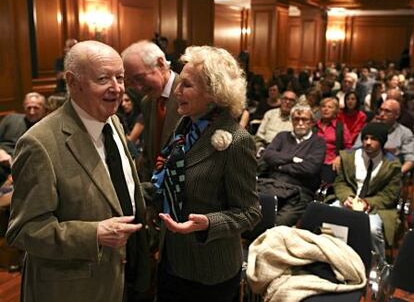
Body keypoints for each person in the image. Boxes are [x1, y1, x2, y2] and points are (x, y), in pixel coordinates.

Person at [6, 41, 150, 302]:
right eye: (103, 79)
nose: (116, 89)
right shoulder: (39, 144)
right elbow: (24, 230)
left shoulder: (113, 122)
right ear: (72, 82)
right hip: (76, 289)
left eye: (120, 77)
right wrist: (93, 234)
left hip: (124, 276)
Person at [151, 46, 262, 302]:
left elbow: (250, 212)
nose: (177, 92)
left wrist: (209, 223)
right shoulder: (184, 125)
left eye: (186, 86)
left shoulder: (237, 141)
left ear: (213, 93)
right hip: (172, 260)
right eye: (179, 83)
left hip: (209, 271)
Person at [331, 122, 401, 262]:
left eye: (373, 139)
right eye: (365, 138)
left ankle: (378, 265)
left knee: (372, 229)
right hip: (349, 200)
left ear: (381, 142)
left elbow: (390, 195)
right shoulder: (349, 158)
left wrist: (367, 203)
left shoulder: (392, 165)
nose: (368, 142)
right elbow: (340, 183)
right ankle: (334, 258)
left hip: (374, 207)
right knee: (330, 216)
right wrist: (347, 197)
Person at [122, 40, 181, 181]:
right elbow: (150, 153)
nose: (137, 88)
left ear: (160, 64)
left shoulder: (189, 94)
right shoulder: (147, 102)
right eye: (131, 82)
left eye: (140, 79)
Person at [259, 104, 326, 226]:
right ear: (291, 121)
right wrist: (293, 159)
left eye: (304, 119)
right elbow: (268, 156)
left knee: (278, 224)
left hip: (300, 191)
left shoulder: (318, 142)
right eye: (296, 119)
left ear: (311, 122)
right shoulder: (282, 136)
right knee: (254, 216)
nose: (300, 123)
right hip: (272, 185)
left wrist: (279, 166)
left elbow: (309, 168)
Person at [354, 99, 414, 174]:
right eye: (381, 110)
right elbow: (355, 150)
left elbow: (410, 160)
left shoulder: (405, 133)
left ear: (397, 115)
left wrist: (397, 174)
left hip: (391, 173)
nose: (382, 114)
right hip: (365, 170)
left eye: (387, 111)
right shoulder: (369, 128)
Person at [0, 92, 47, 184]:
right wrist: (1, 152)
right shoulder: (10, 118)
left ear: (44, 109)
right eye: (28, 107)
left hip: (22, 169)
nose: (31, 112)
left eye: (36, 108)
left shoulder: (46, 127)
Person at [315, 97, 353, 184]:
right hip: (314, 161)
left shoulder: (341, 127)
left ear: (336, 111)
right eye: (323, 106)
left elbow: (349, 147)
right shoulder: (314, 126)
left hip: (331, 163)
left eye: (330, 107)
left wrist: (340, 157)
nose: (326, 109)